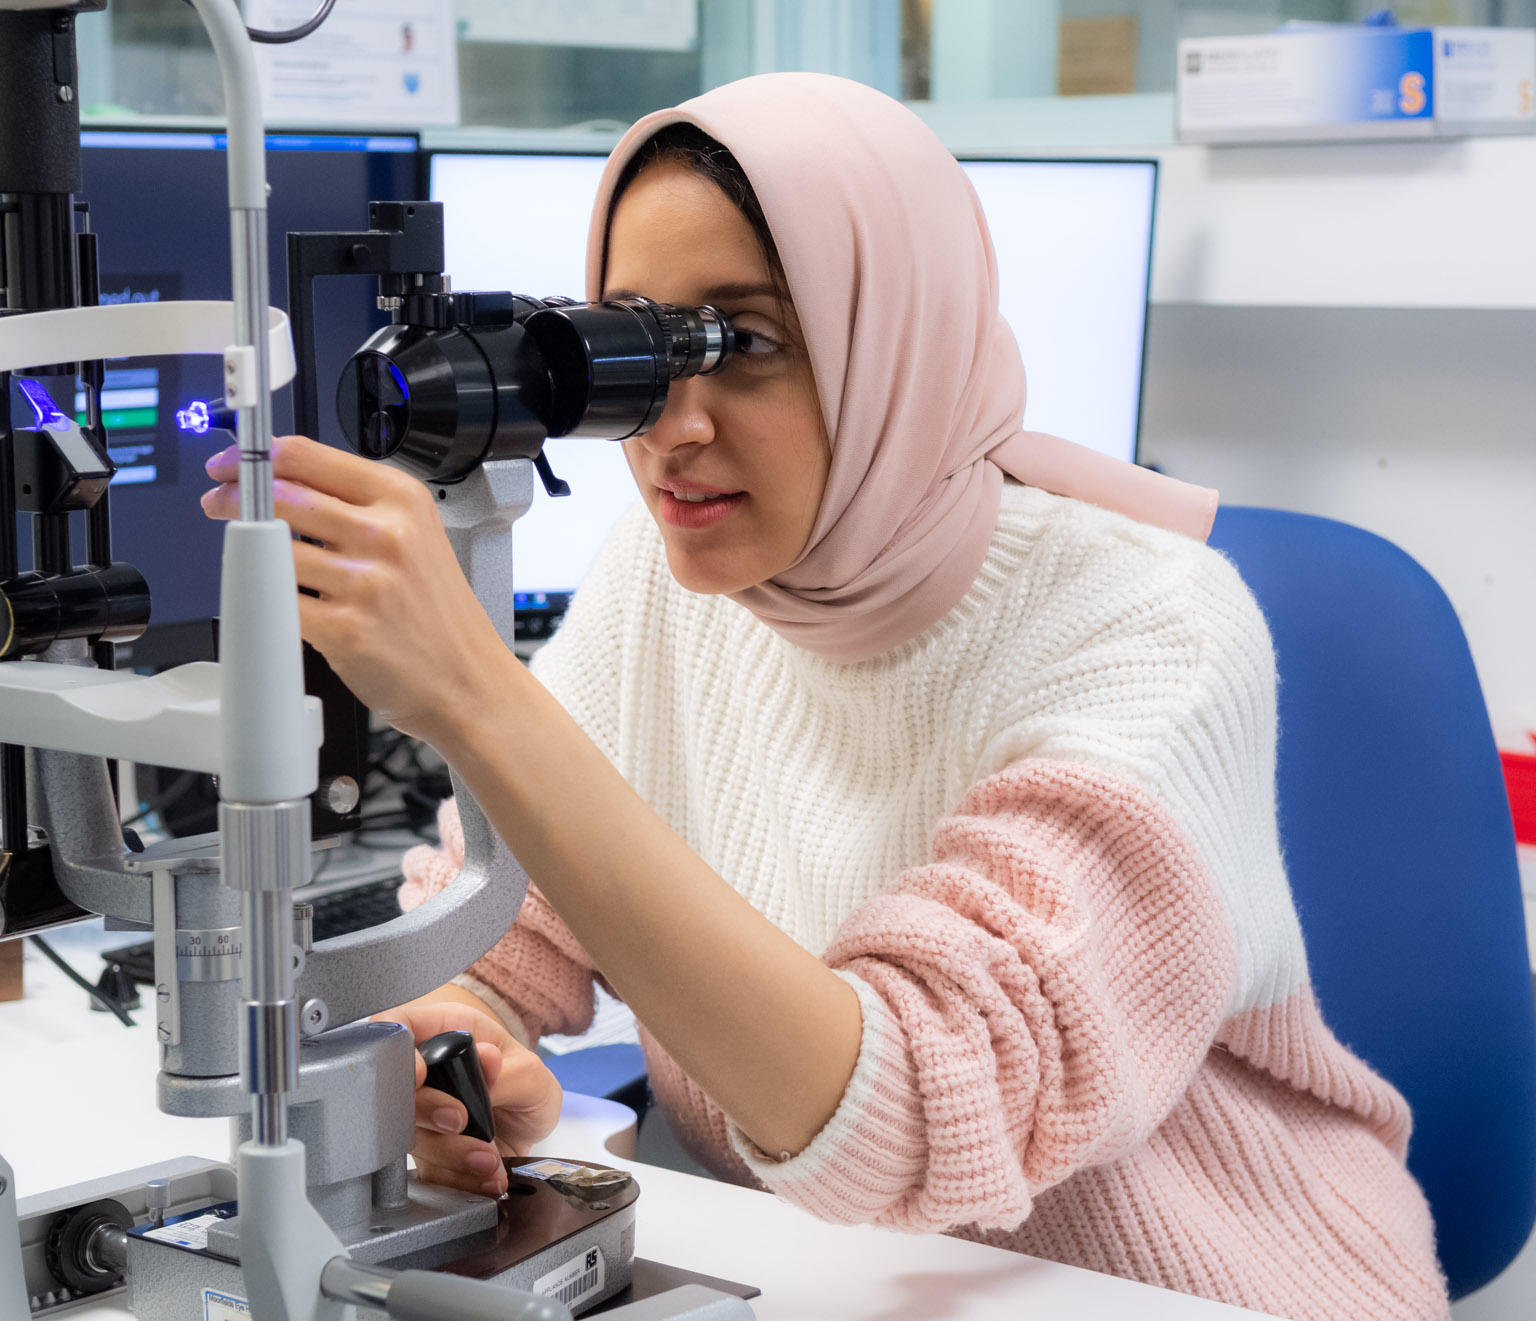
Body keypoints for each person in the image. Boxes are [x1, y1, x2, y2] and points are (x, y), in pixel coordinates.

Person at [201, 73, 1449, 1321]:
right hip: (859, 1282)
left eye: (744, 344)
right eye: (638, 346)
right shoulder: (669, 576)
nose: (673, 430)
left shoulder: (1151, 624)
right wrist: (460, 1043)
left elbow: (916, 1102)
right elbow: (510, 930)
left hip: (1200, 1289)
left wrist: (479, 694)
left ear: (891, 341)